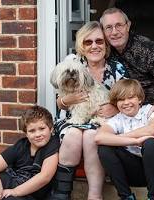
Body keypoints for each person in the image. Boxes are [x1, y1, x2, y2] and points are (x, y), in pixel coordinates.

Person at [50, 21, 128, 200]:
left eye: (99, 41)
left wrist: (115, 108)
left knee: (92, 136)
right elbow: (59, 102)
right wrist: (65, 100)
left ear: (106, 45)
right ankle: (62, 193)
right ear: (81, 45)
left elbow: (129, 99)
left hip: (102, 120)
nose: (94, 46)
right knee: (73, 135)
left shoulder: (117, 68)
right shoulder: (72, 63)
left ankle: (94, 195)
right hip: (70, 118)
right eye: (88, 42)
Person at [99, 7, 154, 148]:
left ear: (128, 25)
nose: (114, 32)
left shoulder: (146, 48)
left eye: (119, 25)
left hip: (153, 108)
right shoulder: (103, 50)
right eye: (109, 27)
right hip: (124, 108)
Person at [95, 79, 154, 200]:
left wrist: (117, 138)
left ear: (140, 99)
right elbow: (99, 138)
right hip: (136, 173)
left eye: (130, 98)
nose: (126, 103)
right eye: (121, 99)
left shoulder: (150, 111)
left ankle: (153, 197)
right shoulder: (117, 119)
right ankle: (126, 196)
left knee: (150, 143)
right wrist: (135, 141)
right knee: (104, 148)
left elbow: (151, 130)